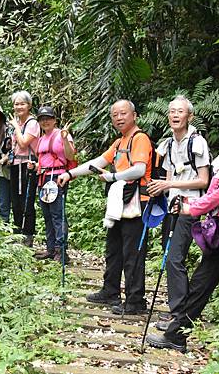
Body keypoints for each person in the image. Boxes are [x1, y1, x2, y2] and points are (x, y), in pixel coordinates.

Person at [147, 105, 219, 352]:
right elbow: (213, 189)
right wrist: (190, 203)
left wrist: (193, 208)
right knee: (201, 281)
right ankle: (176, 335)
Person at [57, 99, 154, 314]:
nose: (119, 118)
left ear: (134, 115)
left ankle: (135, 301)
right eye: (115, 115)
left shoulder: (140, 139)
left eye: (123, 114)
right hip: (120, 201)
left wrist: (113, 176)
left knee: (132, 254)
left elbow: (139, 170)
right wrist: (70, 174)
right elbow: (98, 163)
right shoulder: (120, 142)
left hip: (137, 202)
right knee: (113, 249)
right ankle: (110, 292)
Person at [147, 96, 211, 331]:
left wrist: (168, 186)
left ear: (189, 116)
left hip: (191, 207)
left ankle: (180, 315)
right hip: (174, 206)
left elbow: (203, 180)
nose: (175, 115)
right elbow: (170, 178)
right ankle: (178, 312)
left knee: (175, 259)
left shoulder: (197, 143)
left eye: (180, 111)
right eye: (172, 111)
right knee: (171, 258)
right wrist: (163, 190)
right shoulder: (169, 144)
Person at [31, 106, 76, 261]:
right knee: (47, 215)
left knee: (57, 214)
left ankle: (61, 250)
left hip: (57, 177)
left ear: (54, 120)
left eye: (48, 118)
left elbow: (70, 156)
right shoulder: (42, 139)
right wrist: (36, 165)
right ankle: (50, 249)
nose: (45, 122)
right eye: (42, 119)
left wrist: (64, 138)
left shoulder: (61, 135)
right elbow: (43, 159)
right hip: (43, 178)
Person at [8, 91, 39, 246]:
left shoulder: (32, 123)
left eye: (22, 104)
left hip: (28, 165)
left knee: (26, 201)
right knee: (16, 201)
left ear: (29, 105)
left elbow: (23, 143)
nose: (19, 107)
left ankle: (27, 235)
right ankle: (18, 232)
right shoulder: (18, 123)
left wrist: (16, 127)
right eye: (16, 104)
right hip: (15, 164)